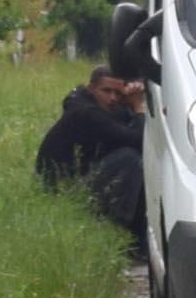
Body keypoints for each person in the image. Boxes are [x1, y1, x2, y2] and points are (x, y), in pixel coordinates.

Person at [37, 68, 146, 237]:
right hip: (64, 193)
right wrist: (138, 107)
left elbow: (123, 127)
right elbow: (139, 141)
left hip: (75, 183)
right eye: (106, 91)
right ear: (91, 89)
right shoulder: (86, 114)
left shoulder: (91, 106)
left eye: (118, 93)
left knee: (128, 157)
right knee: (130, 159)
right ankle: (127, 236)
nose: (113, 98)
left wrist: (128, 104)